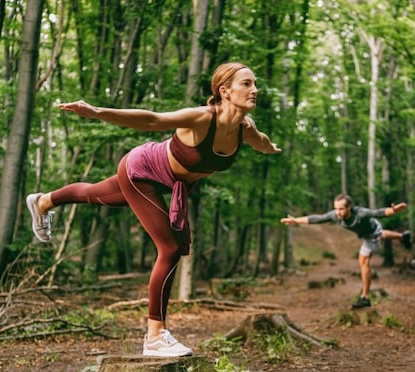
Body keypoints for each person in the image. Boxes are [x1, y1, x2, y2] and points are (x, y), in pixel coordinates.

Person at [26, 62, 281, 357]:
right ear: (224, 91)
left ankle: (43, 201)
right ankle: (155, 336)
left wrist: (270, 147)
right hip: (142, 169)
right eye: (247, 84)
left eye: (255, 83)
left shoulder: (243, 128)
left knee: (94, 194)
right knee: (169, 248)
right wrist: (97, 112)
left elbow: (260, 142)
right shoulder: (201, 118)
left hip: (168, 182)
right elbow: (152, 119)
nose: (255, 90)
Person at [281, 193, 411, 309]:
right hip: (371, 232)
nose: (338, 212)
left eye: (341, 209)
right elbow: (318, 218)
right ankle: (403, 237)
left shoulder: (360, 213)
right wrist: (295, 220)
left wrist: (393, 211)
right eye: (336, 208)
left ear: (349, 208)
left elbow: (378, 213)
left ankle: (365, 298)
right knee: (382, 234)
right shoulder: (335, 215)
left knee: (363, 260)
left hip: (372, 234)